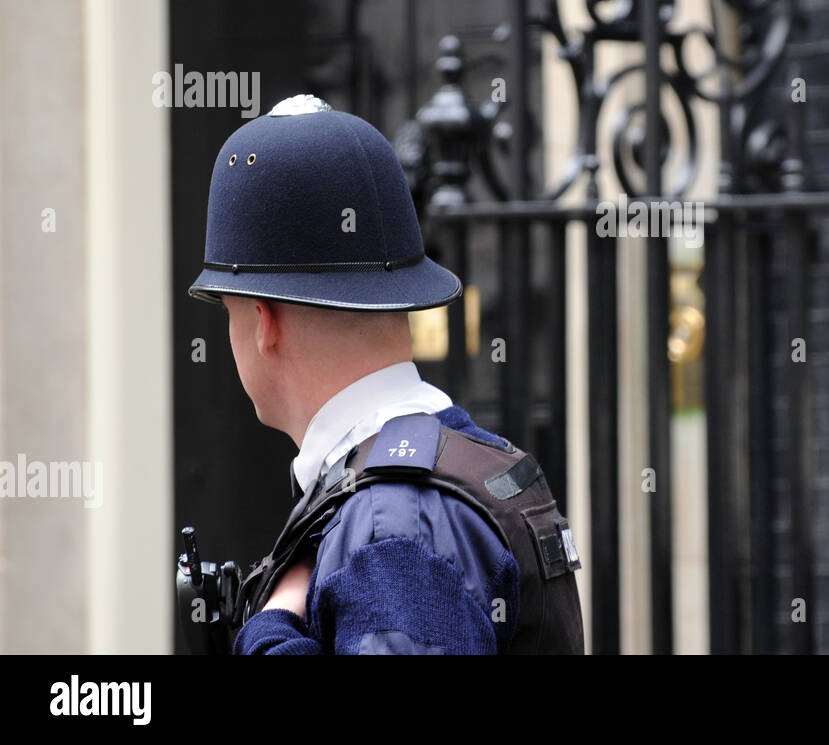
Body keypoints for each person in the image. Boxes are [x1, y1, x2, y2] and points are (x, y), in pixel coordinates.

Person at [188, 94, 583, 654]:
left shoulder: (393, 528)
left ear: (262, 322)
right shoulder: (456, 462)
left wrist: (271, 629)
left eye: (227, 312)